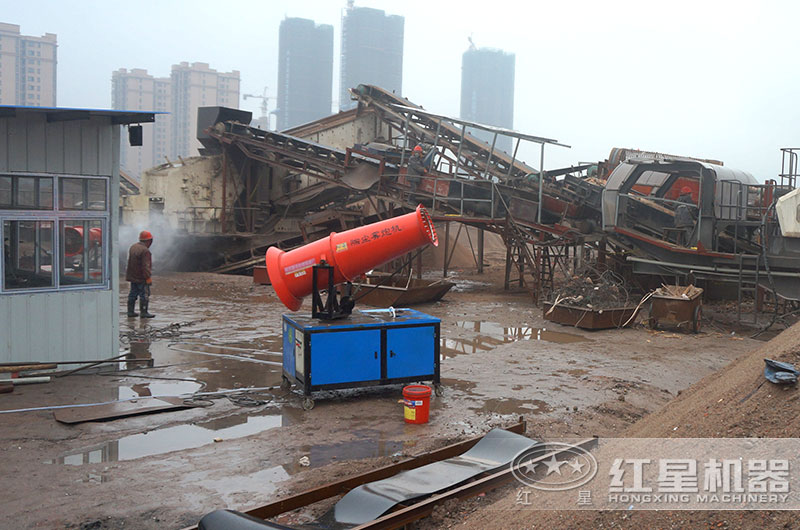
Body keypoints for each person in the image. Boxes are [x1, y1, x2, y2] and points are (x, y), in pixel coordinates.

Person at [126, 230, 155, 318]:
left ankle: (130, 312)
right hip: (141, 278)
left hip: (132, 276)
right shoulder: (145, 251)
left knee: (132, 294)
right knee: (144, 295)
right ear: (149, 241)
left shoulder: (133, 247)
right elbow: (145, 266)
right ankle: (144, 312)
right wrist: (148, 277)